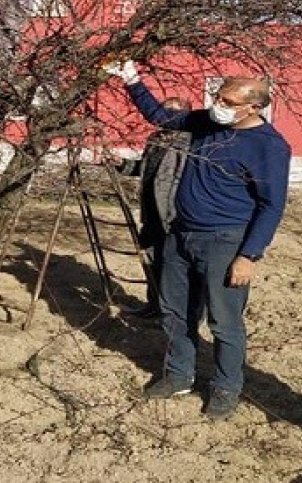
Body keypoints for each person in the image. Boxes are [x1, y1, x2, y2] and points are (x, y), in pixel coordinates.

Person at [105, 61, 291, 421]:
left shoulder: (269, 147)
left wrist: (249, 255)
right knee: (175, 311)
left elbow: (271, 206)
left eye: (228, 101)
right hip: (181, 234)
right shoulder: (206, 122)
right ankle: (179, 375)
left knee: (224, 321)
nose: (217, 105)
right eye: (217, 97)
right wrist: (131, 78)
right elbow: (161, 117)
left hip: (226, 241)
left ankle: (225, 387)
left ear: (254, 107)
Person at [114, 97, 191, 318]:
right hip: (151, 212)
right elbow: (147, 169)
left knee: (172, 267)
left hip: (172, 213)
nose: (166, 115)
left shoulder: (188, 143)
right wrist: (123, 164)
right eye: (164, 110)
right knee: (151, 260)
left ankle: (173, 314)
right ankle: (153, 306)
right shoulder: (156, 138)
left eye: (173, 112)